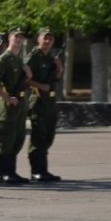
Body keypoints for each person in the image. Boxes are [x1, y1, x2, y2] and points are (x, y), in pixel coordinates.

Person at [27, 28, 63, 182]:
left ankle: (44, 169)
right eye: (45, 38)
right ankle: (37, 170)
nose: (47, 42)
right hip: (38, 101)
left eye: (50, 39)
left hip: (50, 102)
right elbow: (25, 78)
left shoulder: (50, 58)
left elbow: (56, 77)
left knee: (48, 136)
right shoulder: (33, 57)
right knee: (38, 137)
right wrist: (40, 86)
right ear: (38, 39)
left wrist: (59, 68)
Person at [0, 28, 30, 184]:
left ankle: (12, 171)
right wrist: (7, 98)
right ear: (9, 38)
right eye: (15, 36)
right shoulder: (4, 58)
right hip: (8, 104)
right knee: (7, 139)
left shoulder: (18, 59)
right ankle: (5, 172)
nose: (18, 39)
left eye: (21, 37)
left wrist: (28, 73)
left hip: (20, 103)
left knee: (18, 138)